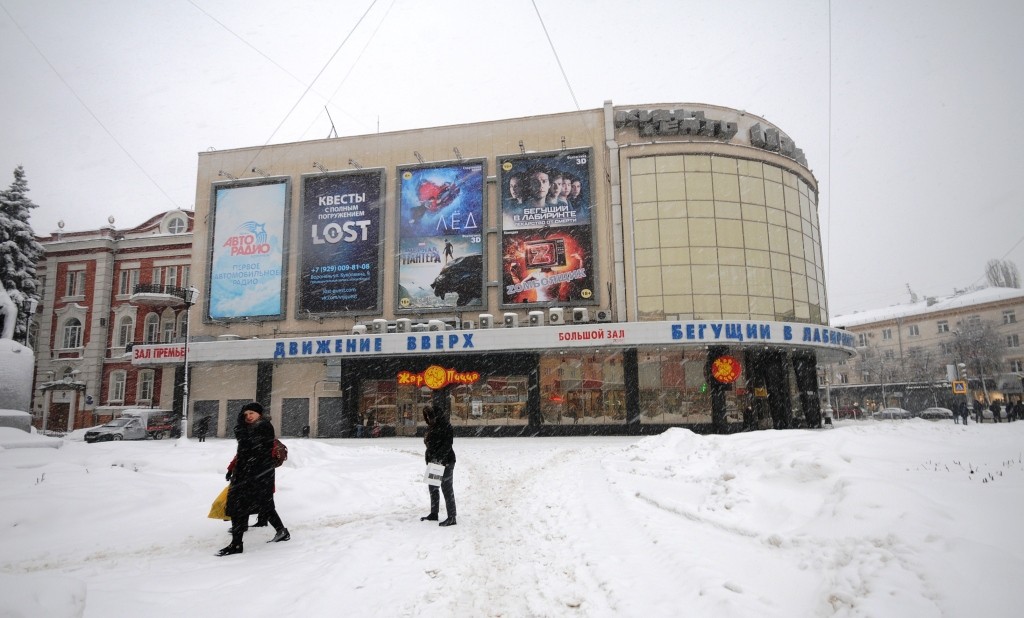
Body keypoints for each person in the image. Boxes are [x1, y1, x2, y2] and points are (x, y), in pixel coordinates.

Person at [217, 402, 290, 556]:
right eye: (246, 414)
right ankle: (279, 532)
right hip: (246, 473)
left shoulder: (264, 427)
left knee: (253, 506)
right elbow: (242, 452)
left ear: (259, 414)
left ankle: (238, 543)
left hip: (258, 474)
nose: (248, 416)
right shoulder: (249, 428)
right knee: (247, 506)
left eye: (252, 413)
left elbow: (250, 446)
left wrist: (240, 427)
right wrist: (232, 469)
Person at [420, 405, 457, 527]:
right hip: (434, 461)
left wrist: (438, 458)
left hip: (445, 461)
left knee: (447, 489)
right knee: (433, 488)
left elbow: (447, 445)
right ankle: (434, 513)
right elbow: (430, 444)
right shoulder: (432, 426)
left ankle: (452, 517)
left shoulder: (446, 426)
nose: (428, 419)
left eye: (430, 417)